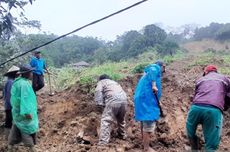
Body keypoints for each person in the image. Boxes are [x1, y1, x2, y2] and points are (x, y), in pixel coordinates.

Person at [186, 65, 230, 151]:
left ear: (205, 72)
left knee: (190, 132)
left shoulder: (200, 80)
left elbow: (195, 95)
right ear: (216, 72)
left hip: (195, 108)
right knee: (211, 143)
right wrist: (225, 106)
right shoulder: (224, 79)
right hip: (213, 110)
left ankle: (194, 149)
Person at [134, 61, 165, 152]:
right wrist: (154, 85)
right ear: (162, 66)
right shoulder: (154, 68)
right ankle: (146, 148)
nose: (164, 71)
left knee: (144, 121)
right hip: (146, 100)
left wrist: (158, 101)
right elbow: (152, 69)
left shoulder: (146, 75)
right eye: (164, 68)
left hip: (143, 99)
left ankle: (144, 143)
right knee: (148, 122)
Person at [8, 65, 39, 152]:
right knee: (27, 130)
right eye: (31, 72)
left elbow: (15, 99)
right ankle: (31, 148)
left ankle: (10, 147)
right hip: (24, 113)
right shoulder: (24, 84)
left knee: (16, 127)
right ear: (27, 74)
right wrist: (27, 112)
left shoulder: (17, 82)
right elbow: (25, 100)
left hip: (17, 112)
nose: (32, 74)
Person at [94, 74, 128, 145]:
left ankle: (103, 142)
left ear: (101, 79)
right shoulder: (115, 83)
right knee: (121, 119)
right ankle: (122, 135)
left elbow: (98, 91)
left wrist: (99, 104)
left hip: (113, 100)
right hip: (124, 101)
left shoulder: (101, 82)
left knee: (106, 120)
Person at [2, 66, 19, 139]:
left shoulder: (9, 82)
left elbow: (4, 95)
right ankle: (8, 138)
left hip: (8, 105)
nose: (18, 74)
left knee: (9, 121)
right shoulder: (11, 82)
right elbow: (9, 96)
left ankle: (9, 137)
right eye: (17, 73)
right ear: (14, 74)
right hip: (10, 106)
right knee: (9, 122)